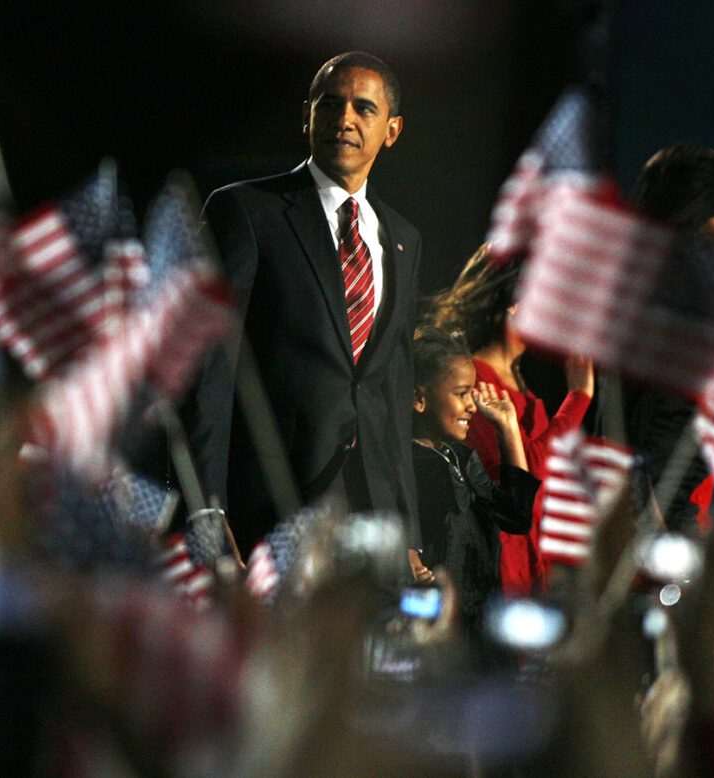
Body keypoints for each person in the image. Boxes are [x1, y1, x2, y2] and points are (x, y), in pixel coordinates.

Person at [191, 52, 421, 556]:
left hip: (367, 512)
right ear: (306, 114)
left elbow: (391, 387)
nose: (345, 120)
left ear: (392, 129)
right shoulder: (247, 212)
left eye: (364, 109)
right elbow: (211, 364)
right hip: (269, 500)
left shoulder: (402, 239)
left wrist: (406, 527)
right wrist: (207, 503)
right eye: (330, 104)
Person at [597, 142, 714, 534]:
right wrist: (673, 528)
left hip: (634, 503)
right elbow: (664, 420)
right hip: (654, 515)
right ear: (694, 211)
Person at [429, 244, 593, 595]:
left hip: (537, 560)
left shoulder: (519, 381)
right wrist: (578, 399)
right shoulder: (476, 380)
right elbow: (520, 476)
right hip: (505, 562)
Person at [409, 327, 538, 632]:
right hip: (438, 625)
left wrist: (508, 429)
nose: (472, 405)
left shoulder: (463, 457)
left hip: (481, 620)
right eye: (461, 393)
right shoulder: (405, 465)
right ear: (419, 399)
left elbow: (517, 517)